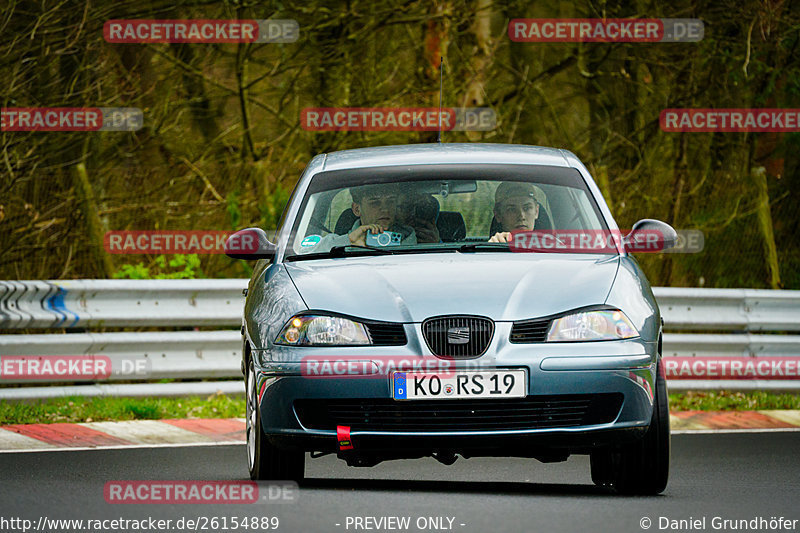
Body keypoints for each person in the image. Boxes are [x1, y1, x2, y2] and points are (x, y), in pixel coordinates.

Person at [299, 183, 416, 253]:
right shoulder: (340, 243)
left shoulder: (419, 242)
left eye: (391, 201)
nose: (385, 209)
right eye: (375, 203)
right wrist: (348, 241)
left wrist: (429, 245)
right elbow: (298, 253)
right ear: (356, 209)